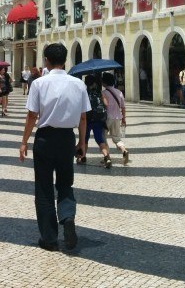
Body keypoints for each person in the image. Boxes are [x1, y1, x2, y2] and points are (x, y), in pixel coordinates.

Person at [19, 43, 90, 252]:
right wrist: (82, 143)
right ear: (65, 60)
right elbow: (84, 117)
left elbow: (32, 115)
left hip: (45, 139)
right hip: (67, 138)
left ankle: (49, 238)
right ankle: (67, 217)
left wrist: (24, 142)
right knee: (66, 183)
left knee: (44, 188)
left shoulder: (39, 83)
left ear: (46, 61)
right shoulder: (78, 84)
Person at [79, 75, 111, 168]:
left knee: (85, 139)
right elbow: (106, 104)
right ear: (94, 83)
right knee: (100, 140)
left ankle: (83, 157)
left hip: (87, 120)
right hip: (98, 119)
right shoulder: (99, 92)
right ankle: (106, 157)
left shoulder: (84, 93)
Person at [101, 72, 129, 166]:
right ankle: (124, 150)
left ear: (104, 82)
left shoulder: (103, 93)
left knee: (103, 138)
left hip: (107, 119)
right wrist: (124, 119)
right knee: (117, 138)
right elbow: (123, 107)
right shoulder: (119, 92)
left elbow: (105, 105)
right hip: (117, 118)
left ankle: (107, 157)